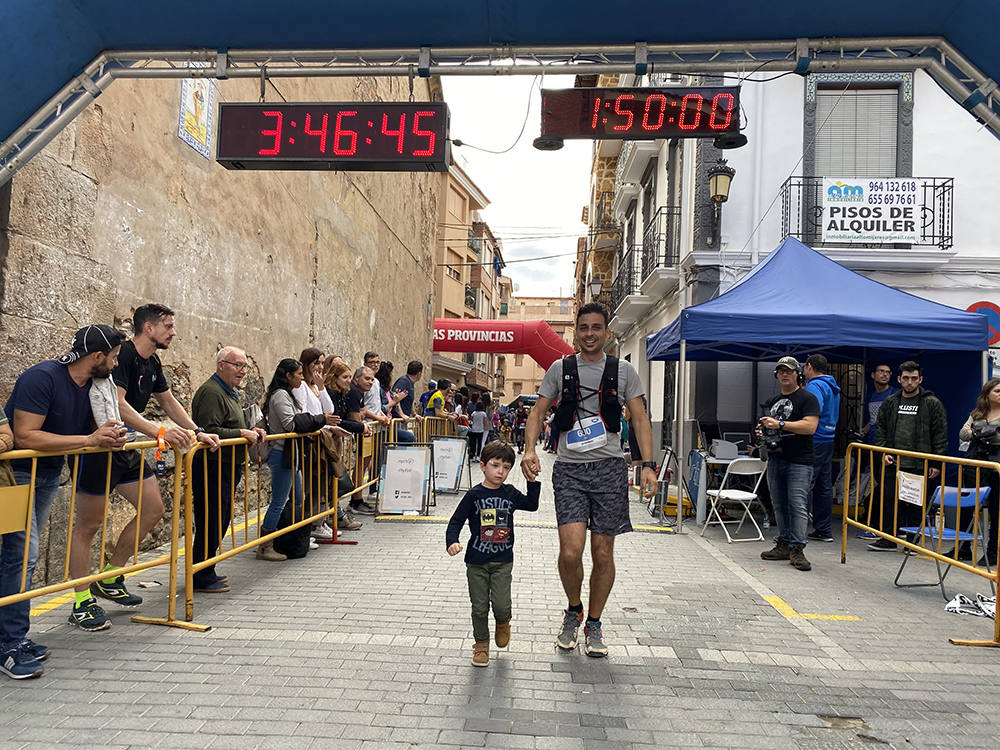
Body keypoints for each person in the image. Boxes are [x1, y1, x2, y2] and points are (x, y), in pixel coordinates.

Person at [70, 304, 222, 626]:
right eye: (168, 325)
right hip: (99, 447)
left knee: (154, 509)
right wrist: (158, 431)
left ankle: (110, 576)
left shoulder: (152, 361)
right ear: (148, 328)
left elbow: (167, 400)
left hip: (124, 447)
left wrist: (197, 431)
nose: (173, 331)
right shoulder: (121, 355)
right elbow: (119, 403)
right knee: (89, 526)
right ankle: (81, 601)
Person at [522, 302, 657, 657]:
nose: (590, 334)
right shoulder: (560, 369)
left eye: (597, 328)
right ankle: (573, 609)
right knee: (570, 551)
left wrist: (647, 465)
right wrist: (529, 450)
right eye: (584, 328)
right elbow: (537, 412)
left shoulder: (624, 371)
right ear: (576, 332)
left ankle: (594, 622)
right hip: (569, 470)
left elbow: (641, 419)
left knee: (602, 552)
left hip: (609, 470)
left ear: (607, 333)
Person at [1, 325, 127, 678]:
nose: (116, 365)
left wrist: (109, 436)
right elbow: (25, 434)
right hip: (15, 477)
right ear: (97, 356)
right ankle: (8, 644)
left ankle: (14, 637)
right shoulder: (42, 378)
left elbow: (112, 416)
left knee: (21, 557)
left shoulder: (92, 386)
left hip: (45, 475)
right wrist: (89, 438)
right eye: (114, 357)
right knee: (20, 556)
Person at [446, 440, 540, 667]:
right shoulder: (473, 495)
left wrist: (532, 482)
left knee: (501, 604)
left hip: (502, 561)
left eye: (506, 467)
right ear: (482, 466)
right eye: (495, 465)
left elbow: (531, 505)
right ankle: (481, 646)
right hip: (476, 561)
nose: (501, 471)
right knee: (479, 607)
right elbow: (456, 521)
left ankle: (502, 621)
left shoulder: (510, 493)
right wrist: (452, 542)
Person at [190, 347, 267, 592]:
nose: (242, 371)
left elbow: (232, 423)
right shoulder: (211, 393)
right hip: (212, 465)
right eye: (237, 365)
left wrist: (251, 430)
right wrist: (241, 433)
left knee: (221, 518)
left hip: (227, 464)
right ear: (221, 365)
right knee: (211, 519)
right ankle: (200, 573)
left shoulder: (229, 392)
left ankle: (206, 567)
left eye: (244, 366)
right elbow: (207, 430)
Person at [259, 359, 336, 561]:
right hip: (281, 453)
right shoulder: (280, 396)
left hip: (291, 454)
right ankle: (265, 544)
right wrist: (321, 419)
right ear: (288, 376)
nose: (302, 378)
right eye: (299, 374)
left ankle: (289, 537)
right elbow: (291, 423)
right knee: (280, 500)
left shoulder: (287, 395)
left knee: (298, 497)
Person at [869, 361, 948, 551]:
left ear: (920, 379)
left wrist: (936, 462)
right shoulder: (891, 401)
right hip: (893, 461)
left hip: (919, 464)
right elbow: (881, 428)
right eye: (906, 378)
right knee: (888, 500)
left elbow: (940, 433)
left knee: (915, 504)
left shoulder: (932, 403)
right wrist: (883, 451)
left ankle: (912, 542)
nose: (910, 382)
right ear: (899, 379)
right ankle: (887, 538)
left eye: (914, 378)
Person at [758, 356, 820, 572]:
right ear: (776, 375)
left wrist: (780, 424)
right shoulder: (772, 401)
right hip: (776, 459)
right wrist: (764, 432)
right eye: (781, 371)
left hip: (800, 460)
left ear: (797, 374)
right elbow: (771, 428)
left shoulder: (807, 398)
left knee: (797, 504)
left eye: (789, 371)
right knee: (779, 505)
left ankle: (797, 548)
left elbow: (810, 427)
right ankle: (783, 543)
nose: (784, 374)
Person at [292, 348, 362, 534]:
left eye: (322, 363)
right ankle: (312, 525)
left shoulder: (315, 386)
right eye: (316, 363)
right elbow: (306, 415)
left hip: (323, 438)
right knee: (313, 486)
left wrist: (321, 388)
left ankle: (320, 521)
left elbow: (328, 410)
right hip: (312, 441)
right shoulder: (301, 387)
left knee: (323, 486)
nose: (320, 367)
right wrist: (327, 425)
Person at [959, 379, 1000, 566]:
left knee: (996, 510)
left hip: (996, 467)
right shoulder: (977, 413)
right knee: (967, 506)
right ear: (987, 394)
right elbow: (963, 433)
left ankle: (993, 552)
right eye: (997, 391)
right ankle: (962, 548)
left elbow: (992, 437)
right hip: (974, 465)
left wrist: (977, 433)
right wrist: (980, 433)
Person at [324, 362, 371, 521]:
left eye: (350, 377)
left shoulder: (342, 393)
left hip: (335, 442)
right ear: (334, 377)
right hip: (327, 443)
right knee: (330, 482)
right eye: (345, 377)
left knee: (334, 482)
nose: (348, 381)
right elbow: (338, 420)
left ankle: (333, 516)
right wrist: (360, 427)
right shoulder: (331, 393)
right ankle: (326, 519)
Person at [857, 363, 898, 540]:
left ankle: (881, 526)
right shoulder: (872, 395)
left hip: (887, 447)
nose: (884, 375)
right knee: (877, 484)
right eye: (881, 371)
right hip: (872, 444)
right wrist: (865, 429)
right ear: (873, 375)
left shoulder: (894, 394)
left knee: (886, 486)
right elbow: (874, 419)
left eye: (888, 372)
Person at [804, 354, 841, 543]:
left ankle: (799, 528)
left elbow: (812, 409)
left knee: (806, 484)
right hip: (829, 438)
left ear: (809, 367)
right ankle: (824, 529)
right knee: (824, 487)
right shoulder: (833, 386)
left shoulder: (815, 386)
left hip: (815, 439)